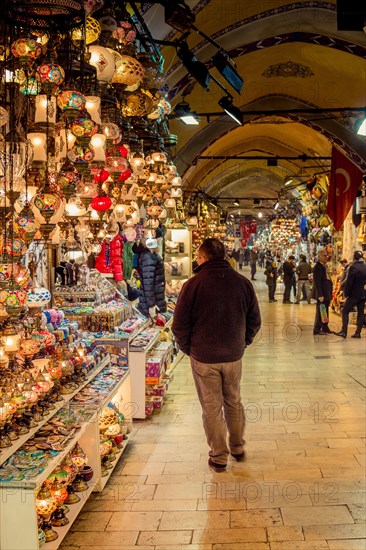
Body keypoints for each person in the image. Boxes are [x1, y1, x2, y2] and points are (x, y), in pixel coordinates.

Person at [172, 238, 261, 472]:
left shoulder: (193, 285)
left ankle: (219, 456)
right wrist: (242, 343)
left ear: (203, 258)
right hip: (233, 355)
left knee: (211, 407)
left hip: (204, 357)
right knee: (233, 401)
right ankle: (237, 446)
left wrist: (188, 348)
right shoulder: (242, 283)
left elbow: (179, 325)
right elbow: (255, 320)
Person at [336, 251, 366, 338]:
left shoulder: (353, 267)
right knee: (360, 313)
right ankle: (358, 333)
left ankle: (344, 331)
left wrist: (346, 293)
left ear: (354, 257)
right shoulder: (365, 266)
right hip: (363, 294)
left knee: (345, 311)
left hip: (354, 294)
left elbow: (349, 282)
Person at [312, 248, 333, 335]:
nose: (326, 257)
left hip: (326, 292)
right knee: (321, 311)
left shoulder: (324, 266)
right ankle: (317, 329)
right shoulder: (317, 267)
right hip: (322, 293)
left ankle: (325, 327)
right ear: (319, 256)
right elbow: (317, 282)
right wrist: (320, 295)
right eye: (324, 255)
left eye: (326, 255)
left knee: (325, 311)